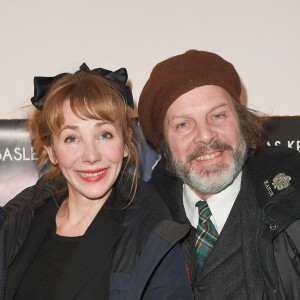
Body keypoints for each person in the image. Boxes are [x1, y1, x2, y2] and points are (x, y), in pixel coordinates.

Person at [1, 63, 194, 299]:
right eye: (72, 138)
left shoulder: (155, 239)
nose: (91, 156)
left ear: (125, 143)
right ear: (51, 150)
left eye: (104, 135)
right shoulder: (19, 220)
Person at [138, 50, 300, 300]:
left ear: (241, 122)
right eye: (183, 124)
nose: (205, 135)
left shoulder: (294, 206)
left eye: (217, 115)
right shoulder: (142, 223)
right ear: (165, 147)